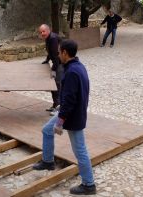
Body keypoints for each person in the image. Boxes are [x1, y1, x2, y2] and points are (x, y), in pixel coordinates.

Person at [33, 40, 96, 195]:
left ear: (65, 53)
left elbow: (69, 101)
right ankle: (48, 162)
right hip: (72, 113)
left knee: (80, 150)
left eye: (59, 52)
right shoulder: (78, 67)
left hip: (72, 118)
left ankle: (89, 184)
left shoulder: (72, 72)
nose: (58, 54)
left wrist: (60, 122)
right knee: (47, 130)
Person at [39, 24, 63, 116]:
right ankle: (55, 105)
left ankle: (59, 108)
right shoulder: (49, 38)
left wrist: (53, 69)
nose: (42, 33)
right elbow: (51, 52)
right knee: (52, 85)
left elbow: (56, 56)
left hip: (61, 64)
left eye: (43, 31)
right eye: (41, 32)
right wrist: (47, 60)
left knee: (57, 85)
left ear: (48, 30)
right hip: (57, 63)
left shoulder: (53, 39)